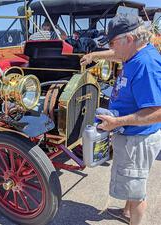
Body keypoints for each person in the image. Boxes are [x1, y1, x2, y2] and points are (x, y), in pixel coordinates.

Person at [81, 14, 161, 225]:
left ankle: (133, 218)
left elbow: (158, 111)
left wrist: (117, 122)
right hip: (132, 136)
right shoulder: (135, 53)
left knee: (137, 193)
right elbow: (117, 55)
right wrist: (95, 55)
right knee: (133, 181)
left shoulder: (146, 65)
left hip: (137, 139)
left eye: (113, 42)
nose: (111, 47)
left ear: (130, 39)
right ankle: (126, 213)